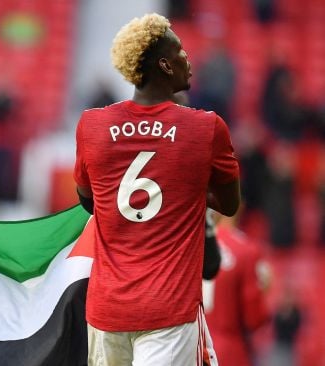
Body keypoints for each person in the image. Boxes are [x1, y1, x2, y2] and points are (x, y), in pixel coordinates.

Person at [73, 13, 240, 365]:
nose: (188, 60)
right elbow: (229, 203)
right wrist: (183, 193)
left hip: (107, 309)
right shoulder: (206, 128)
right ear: (164, 64)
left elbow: (90, 203)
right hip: (169, 312)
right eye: (180, 52)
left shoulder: (92, 125)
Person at [202, 208, 271, 366]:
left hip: (192, 345)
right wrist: (264, 290)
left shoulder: (192, 244)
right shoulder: (246, 249)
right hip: (230, 350)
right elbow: (254, 318)